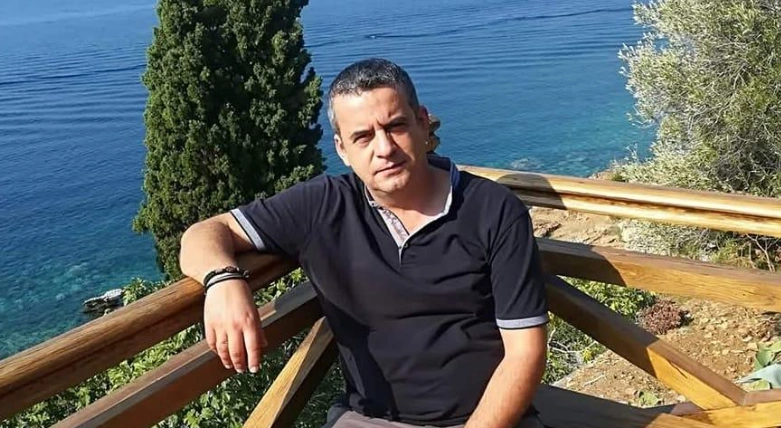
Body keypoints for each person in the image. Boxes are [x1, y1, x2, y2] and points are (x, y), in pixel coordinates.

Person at [180, 58, 549, 428]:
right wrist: (223, 280)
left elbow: (525, 352)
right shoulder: (322, 206)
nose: (384, 148)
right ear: (342, 149)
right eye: (363, 137)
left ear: (422, 123)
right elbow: (203, 234)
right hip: (369, 420)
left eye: (396, 126)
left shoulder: (492, 209)